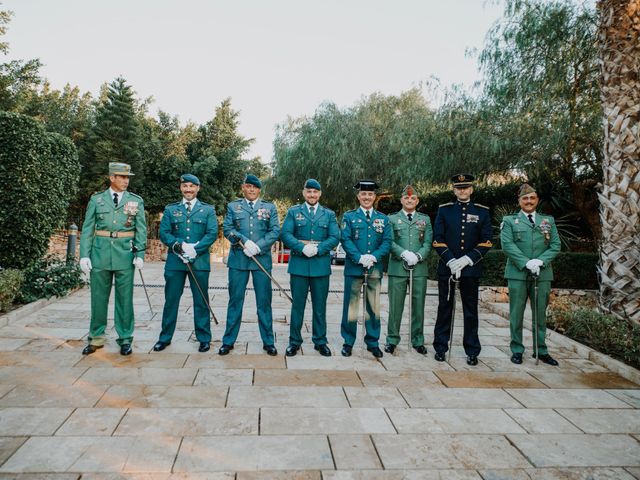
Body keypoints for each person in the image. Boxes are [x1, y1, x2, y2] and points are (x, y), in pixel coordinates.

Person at [79, 162, 147, 356]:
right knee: (98, 298)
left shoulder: (136, 201)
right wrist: (84, 254)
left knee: (125, 300)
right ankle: (96, 337)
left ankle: (125, 338)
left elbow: (140, 229)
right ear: (112, 178)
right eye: (122, 177)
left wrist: (139, 253)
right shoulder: (97, 200)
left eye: (127, 177)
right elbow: (87, 229)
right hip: (100, 254)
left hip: (125, 255)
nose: (126, 181)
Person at [153, 174, 218, 353]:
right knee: (171, 300)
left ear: (198, 188)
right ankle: (165, 338)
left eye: (192, 186)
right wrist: (178, 246)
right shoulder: (171, 209)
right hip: (176, 262)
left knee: (201, 301)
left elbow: (212, 233)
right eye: (185, 186)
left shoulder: (208, 210)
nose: (188, 189)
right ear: (181, 188)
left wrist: (195, 249)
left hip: (199, 262)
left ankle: (204, 338)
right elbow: (164, 232)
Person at [432, 173, 492, 365]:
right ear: (453, 190)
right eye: (459, 187)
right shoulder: (444, 210)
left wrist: (467, 259)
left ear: (472, 189)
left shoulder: (482, 211)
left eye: (466, 187)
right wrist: (450, 261)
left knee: (470, 310)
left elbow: (487, 241)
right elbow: (437, 239)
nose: (462, 190)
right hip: (447, 267)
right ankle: (440, 347)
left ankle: (472, 350)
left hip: (470, 269)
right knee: (444, 308)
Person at [501, 183, 561, 366]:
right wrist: (526, 263)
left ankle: (541, 350)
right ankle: (517, 349)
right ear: (519, 201)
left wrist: (541, 261)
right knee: (516, 314)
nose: (529, 201)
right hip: (518, 273)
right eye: (525, 198)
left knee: (540, 314)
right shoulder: (510, 221)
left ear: (537, 200)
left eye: (532, 198)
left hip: (542, 274)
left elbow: (556, 245)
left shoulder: (548, 221)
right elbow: (507, 245)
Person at [220, 174, 280, 356]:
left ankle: (268, 341)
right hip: (238, 260)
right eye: (248, 187)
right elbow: (228, 230)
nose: (251, 190)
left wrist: (258, 246)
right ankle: (228, 341)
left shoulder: (269, 207)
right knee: (235, 301)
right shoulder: (233, 206)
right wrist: (245, 242)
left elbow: (275, 230)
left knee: (264, 302)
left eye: (255, 187)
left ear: (259, 189)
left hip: (261, 261)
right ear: (243, 188)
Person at [280, 179, 340, 357]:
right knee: (297, 306)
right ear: (303, 193)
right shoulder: (293, 212)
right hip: (299, 264)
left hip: (320, 265)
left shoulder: (328, 214)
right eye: (309, 192)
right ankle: (294, 341)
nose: (312, 195)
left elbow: (335, 236)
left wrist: (319, 249)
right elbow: (285, 234)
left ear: (320, 194)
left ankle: (320, 341)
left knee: (319, 306)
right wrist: (302, 247)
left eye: (315, 192)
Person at [340, 180, 392, 358]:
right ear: (358, 196)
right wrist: (359, 257)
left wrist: (374, 257)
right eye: (363, 194)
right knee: (351, 307)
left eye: (370, 194)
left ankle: (372, 342)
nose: (367, 197)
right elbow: (345, 239)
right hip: (354, 268)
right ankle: (348, 341)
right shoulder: (349, 217)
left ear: (374, 197)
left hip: (374, 269)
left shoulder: (383, 219)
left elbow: (387, 242)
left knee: (373, 306)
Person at [385, 185, 433, 355]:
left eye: (413, 198)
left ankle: (418, 340)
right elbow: (389, 241)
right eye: (406, 198)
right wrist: (404, 253)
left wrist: (418, 256)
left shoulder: (424, 219)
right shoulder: (391, 219)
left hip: (419, 269)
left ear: (417, 200)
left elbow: (428, 243)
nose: (410, 200)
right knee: (395, 307)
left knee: (418, 307)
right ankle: (392, 339)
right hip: (398, 268)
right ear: (401, 200)